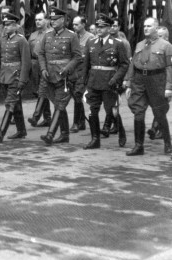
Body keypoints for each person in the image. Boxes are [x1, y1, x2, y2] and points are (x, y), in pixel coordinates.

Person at [123, 17, 172, 156]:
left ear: (156, 28)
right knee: (138, 112)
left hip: (156, 80)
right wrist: (128, 83)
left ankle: (168, 144)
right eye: (144, 26)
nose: (145, 28)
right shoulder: (139, 45)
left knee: (159, 113)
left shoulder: (166, 46)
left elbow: (169, 68)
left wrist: (169, 88)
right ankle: (139, 146)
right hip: (139, 80)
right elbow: (133, 65)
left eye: (149, 26)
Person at [81, 14, 129, 149]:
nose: (99, 29)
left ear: (109, 28)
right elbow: (86, 65)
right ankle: (95, 139)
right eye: (97, 26)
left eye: (102, 27)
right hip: (94, 81)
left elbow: (124, 64)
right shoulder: (91, 42)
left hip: (109, 82)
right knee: (93, 110)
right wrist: (82, 82)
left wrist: (115, 79)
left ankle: (121, 131)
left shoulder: (117, 44)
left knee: (112, 110)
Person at [38, 7, 82, 145]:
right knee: (58, 104)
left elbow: (77, 57)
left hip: (65, 78)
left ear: (63, 20)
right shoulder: (47, 35)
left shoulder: (71, 36)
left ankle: (50, 134)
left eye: (55, 19)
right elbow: (40, 54)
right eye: (51, 19)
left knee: (60, 105)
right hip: (50, 76)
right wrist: (43, 69)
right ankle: (64, 134)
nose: (53, 22)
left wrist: (67, 69)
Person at [0, 12, 31, 142]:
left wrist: (23, 80)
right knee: (15, 104)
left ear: (15, 26)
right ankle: (21, 131)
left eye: (8, 25)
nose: (6, 27)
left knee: (10, 103)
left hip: (15, 76)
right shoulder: (2, 40)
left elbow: (26, 62)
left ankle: (1, 132)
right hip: (4, 76)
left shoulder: (21, 40)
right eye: (4, 25)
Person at [0, 6, 24, 126]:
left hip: (12, 66)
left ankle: (15, 118)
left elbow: (20, 48)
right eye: (2, 14)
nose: (3, 16)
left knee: (13, 93)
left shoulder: (18, 28)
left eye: (6, 14)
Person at [70, 15, 95, 133]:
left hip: (84, 71)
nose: (74, 26)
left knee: (78, 94)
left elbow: (92, 56)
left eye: (77, 24)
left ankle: (76, 123)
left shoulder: (90, 38)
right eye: (73, 24)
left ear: (83, 24)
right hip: (74, 71)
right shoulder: (72, 36)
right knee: (76, 96)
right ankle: (82, 122)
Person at [27, 11, 53, 127]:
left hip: (46, 64)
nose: (37, 21)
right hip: (34, 64)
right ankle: (47, 118)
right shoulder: (33, 35)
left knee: (43, 89)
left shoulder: (51, 33)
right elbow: (28, 52)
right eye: (36, 19)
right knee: (40, 91)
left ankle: (36, 116)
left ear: (46, 21)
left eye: (40, 19)